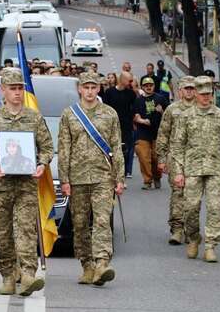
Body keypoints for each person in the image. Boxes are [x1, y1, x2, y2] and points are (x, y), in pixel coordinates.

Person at [0, 68, 53, 296]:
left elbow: (46, 147)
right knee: (4, 233)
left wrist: (42, 164)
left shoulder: (34, 117)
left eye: (20, 88)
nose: (17, 93)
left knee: (26, 230)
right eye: (12, 88)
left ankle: (28, 275)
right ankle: (8, 275)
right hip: (1, 185)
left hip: (27, 184)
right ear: (3, 90)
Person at [58, 72, 125, 285]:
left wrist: (119, 177)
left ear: (99, 89)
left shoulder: (110, 114)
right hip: (77, 178)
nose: (89, 91)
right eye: (86, 87)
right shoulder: (69, 115)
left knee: (102, 221)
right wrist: (64, 179)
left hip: (103, 176)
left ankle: (102, 262)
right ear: (80, 89)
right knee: (80, 225)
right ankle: (87, 265)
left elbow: (116, 146)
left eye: (93, 87)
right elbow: (64, 148)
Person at [171, 76, 220, 262]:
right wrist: (178, 171)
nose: (206, 97)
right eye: (202, 94)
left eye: (209, 94)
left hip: (215, 169)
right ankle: (193, 238)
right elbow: (178, 145)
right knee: (190, 208)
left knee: (215, 207)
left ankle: (210, 245)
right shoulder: (185, 117)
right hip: (192, 169)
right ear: (196, 95)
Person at [156, 76, 196, 245]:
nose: (189, 91)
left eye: (191, 88)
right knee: (178, 193)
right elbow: (163, 134)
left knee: (193, 196)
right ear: (179, 91)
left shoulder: (200, 109)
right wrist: (161, 158)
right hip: (176, 158)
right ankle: (177, 229)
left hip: (195, 159)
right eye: (186, 88)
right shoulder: (172, 110)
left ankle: (190, 228)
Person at [133, 75, 167, 189]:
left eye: (150, 85)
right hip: (143, 133)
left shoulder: (161, 98)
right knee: (143, 156)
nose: (148, 87)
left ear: (154, 86)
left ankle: (157, 177)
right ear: (142, 87)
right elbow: (134, 116)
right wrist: (141, 121)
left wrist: (162, 111)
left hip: (158, 132)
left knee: (155, 157)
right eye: (146, 85)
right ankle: (147, 181)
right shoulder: (138, 101)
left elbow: (169, 116)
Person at [104, 71, 137, 178]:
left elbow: (135, 109)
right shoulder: (109, 92)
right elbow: (105, 109)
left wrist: (134, 121)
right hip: (112, 127)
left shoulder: (131, 94)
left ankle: (123, 173)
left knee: (125, 151)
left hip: (126, 128)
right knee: (112, 151)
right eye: (129, 80)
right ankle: (112, 172)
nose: (131, 83)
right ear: (122, 80)